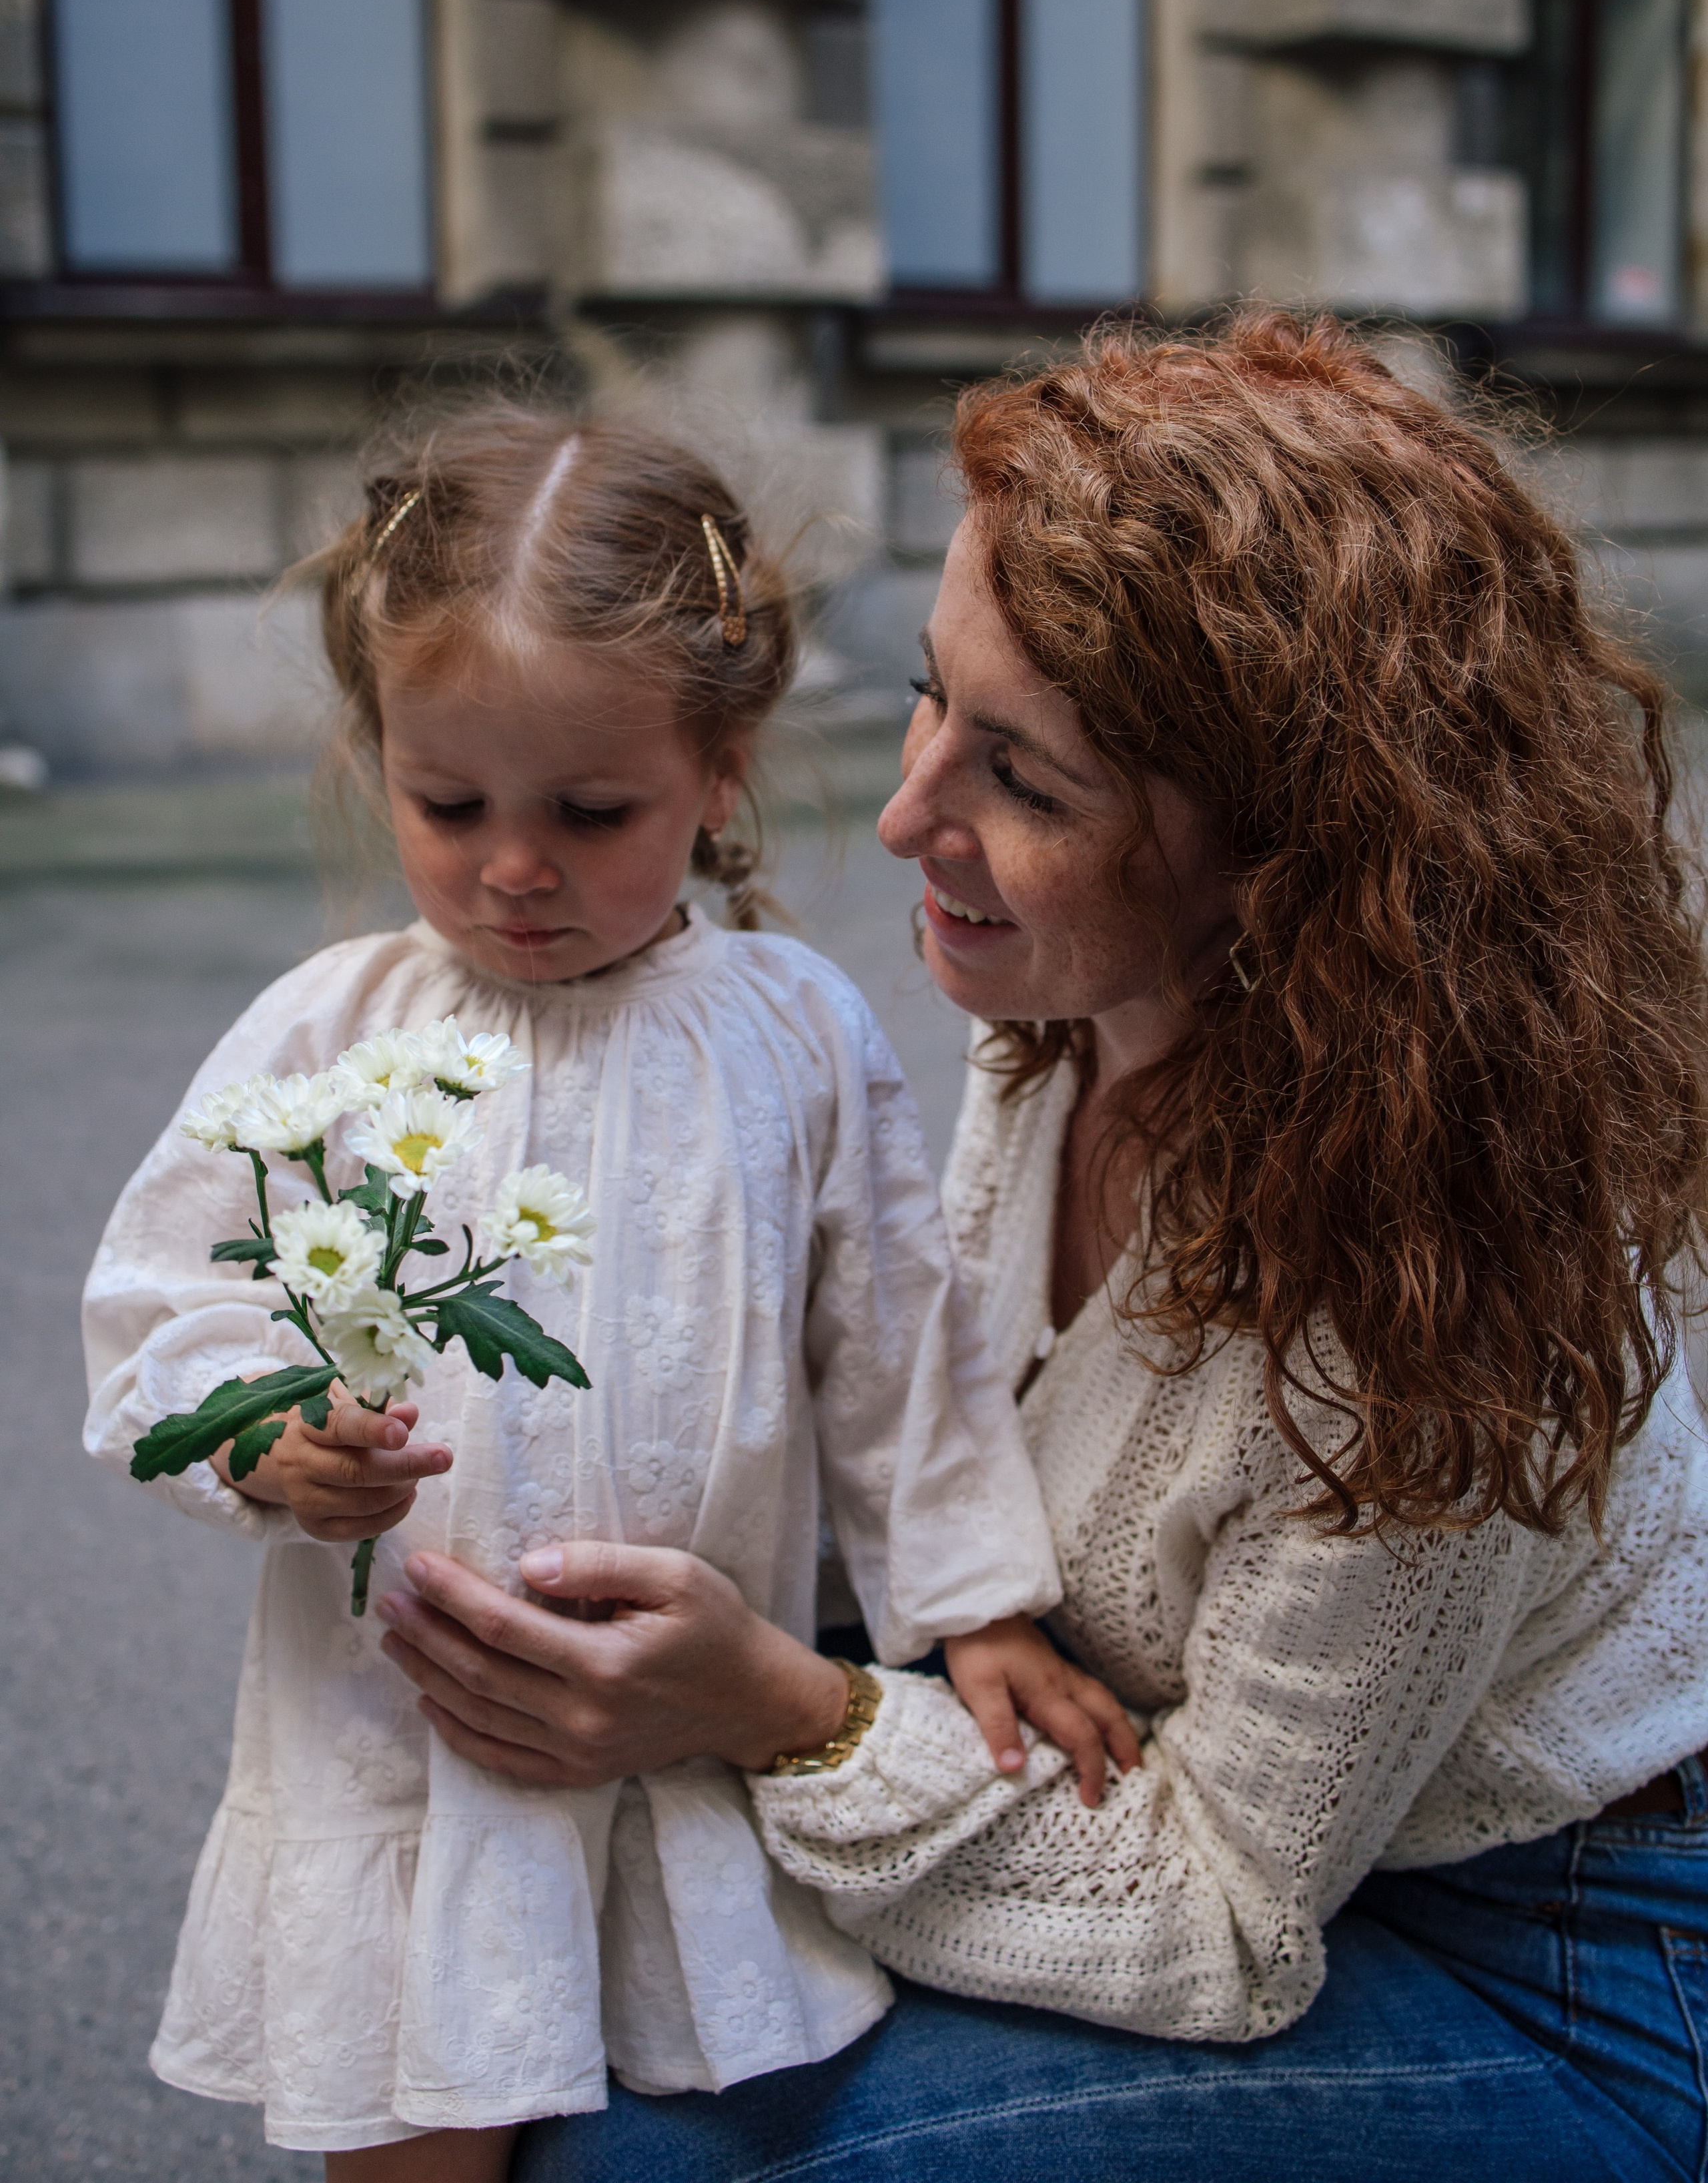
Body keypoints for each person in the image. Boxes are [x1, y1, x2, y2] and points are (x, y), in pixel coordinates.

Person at [369, 316, 1708, 2180]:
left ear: (1293, 859)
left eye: (1027, 782)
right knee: (511, 1995)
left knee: (633, 2157)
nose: (911, 812)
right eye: (933, 697)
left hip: (1553, 1958)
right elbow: (944, 1440)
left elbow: (1229, 1920)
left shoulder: (1434, 1276)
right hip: (1155, 1767)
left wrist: (785, 1708)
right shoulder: (1082, 1015)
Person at [79, 404, 1138, 2181]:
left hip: (675, 1739)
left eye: (590, 809)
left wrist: (982, 1612)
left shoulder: (794, 1034)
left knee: (664, 2127)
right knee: (416, 2125)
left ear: (721, 770)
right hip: (404, 1731)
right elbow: (160, 1302)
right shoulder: (331, 1040)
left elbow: (899, 1354)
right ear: (378, 753)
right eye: (449, 801)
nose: (513, 864)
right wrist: (264, 1436)